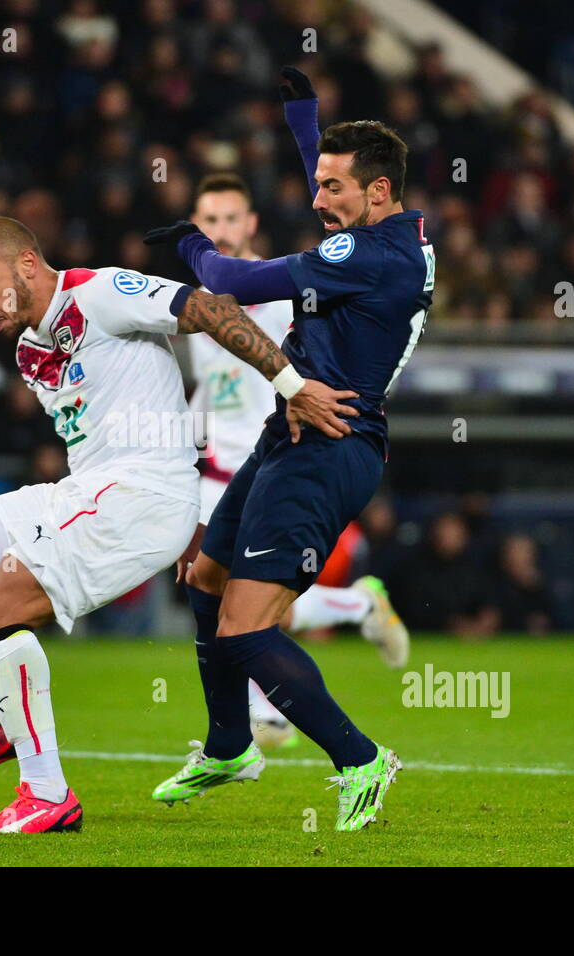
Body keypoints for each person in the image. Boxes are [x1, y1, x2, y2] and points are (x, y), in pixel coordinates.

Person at [0, 214, 352, 833]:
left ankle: (46, 795)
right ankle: (1, 716)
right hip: (90, 489)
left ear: (28, 265)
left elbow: (208, 311)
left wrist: (292, 384)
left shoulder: (99, 293)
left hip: (141, 496)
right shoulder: (28, 348)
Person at [142, 66, 435, 831]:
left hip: (330, 442)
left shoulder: (370, 258)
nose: (316, 199)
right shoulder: (384, 229)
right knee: (206, 579)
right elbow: (333, 178)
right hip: (292, 428)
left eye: (332, 188)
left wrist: (192, 245)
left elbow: (236, 277)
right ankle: (230, 744)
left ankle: (360, 757)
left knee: (246, 627)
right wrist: (305, 120)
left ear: (375, 195)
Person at [180, 171, 409, 751]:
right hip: (215, 472)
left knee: (244, 600)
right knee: (207, 583)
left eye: (231, 218)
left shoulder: (282, 287)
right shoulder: (194, 304)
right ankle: (252, 718)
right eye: (208, 220)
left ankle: (274, 704)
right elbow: (212, 386)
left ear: (250, 223)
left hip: (281, 457)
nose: (221, 229)